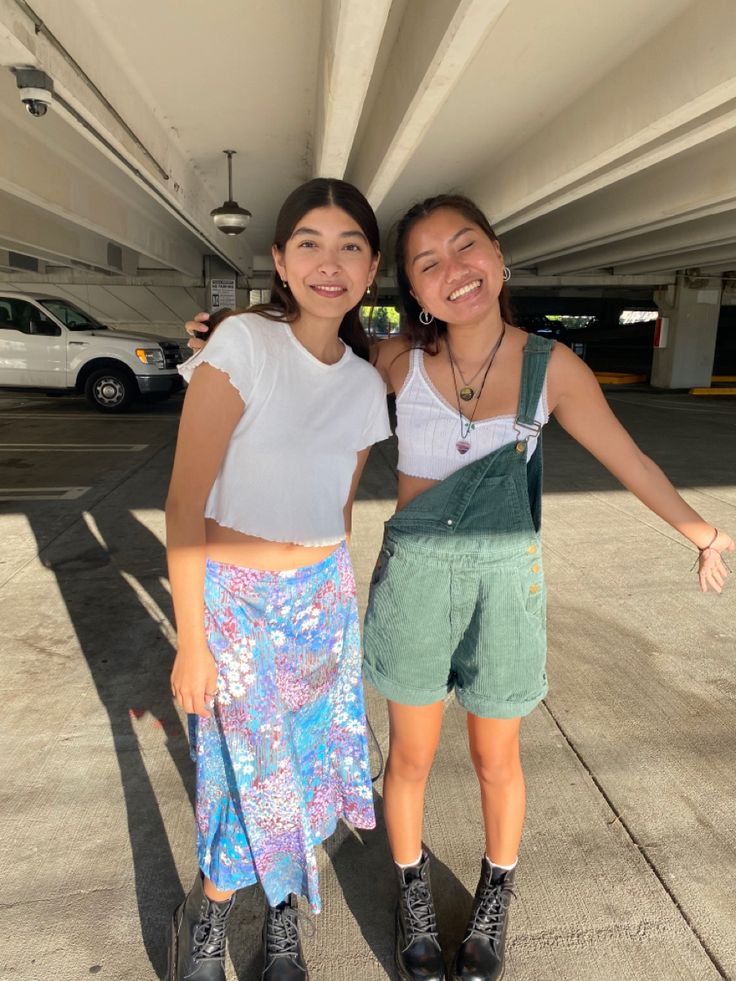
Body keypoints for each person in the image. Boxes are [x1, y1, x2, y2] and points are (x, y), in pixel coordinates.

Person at [186, 193, 733, 981]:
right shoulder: (398, 358)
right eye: (428, 262)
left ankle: (493, 896)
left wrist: (704, 533)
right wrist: (226, 336)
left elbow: (631, 460)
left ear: (499, 256)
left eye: (465, 247)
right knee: (407, 755)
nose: (453, 271)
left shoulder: (554, 367)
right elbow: (310, 347)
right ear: (411, 287)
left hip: (508, 583)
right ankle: (411, 892)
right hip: (413, 579)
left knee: (495, 755)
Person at [166, 177, 391, 981]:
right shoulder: (242, 347)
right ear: (280, 261)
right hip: (233, 604)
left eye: (350, 246)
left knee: (301, 773)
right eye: (310, 244)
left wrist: (340, 609)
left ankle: (281, 911)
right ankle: (211, 915)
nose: (329, 263)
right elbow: (185, 502)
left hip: (322, 603)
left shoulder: (367, 386)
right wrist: (192, 641)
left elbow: (341, 506)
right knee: (235, 774)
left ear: (372, 270)